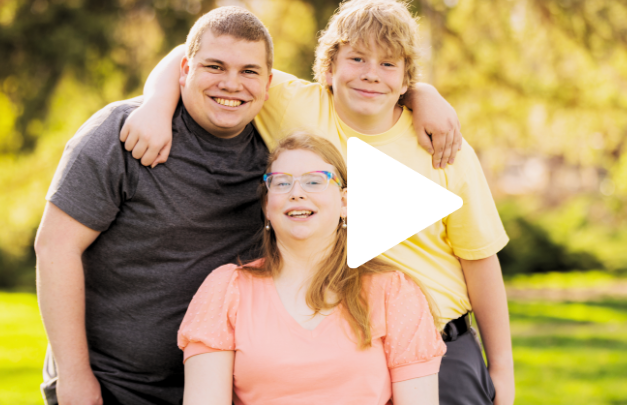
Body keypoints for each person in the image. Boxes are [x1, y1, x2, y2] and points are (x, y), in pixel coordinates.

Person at [36, 5, 458, 404]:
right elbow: (55, 247)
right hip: (109, 383)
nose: (231, 84)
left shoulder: (273, 145)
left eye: (249, 72)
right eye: (215, 68)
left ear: (269, 80)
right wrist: (74, 374)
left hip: (220, 381)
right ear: (186, 70)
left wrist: (421, 93)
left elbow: (363, 88)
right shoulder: (128, 134)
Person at [124, 1, 515, 404]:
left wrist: (501, 366)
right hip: (346, 339)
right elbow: (191, 55)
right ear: (328, 69)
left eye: (387, 65)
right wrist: (155, 104)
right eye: (357, 58)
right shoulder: (295, 104)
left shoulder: (443, 147)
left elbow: (479, 258)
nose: (369, 74)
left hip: (436, 341)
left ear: (405, 81)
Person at [179, 132, 446, 405]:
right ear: (267, 207)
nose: (297, 193)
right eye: (281, 183)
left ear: (345, 203)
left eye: (314, 181)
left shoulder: (394, 292)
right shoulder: (225, 290)